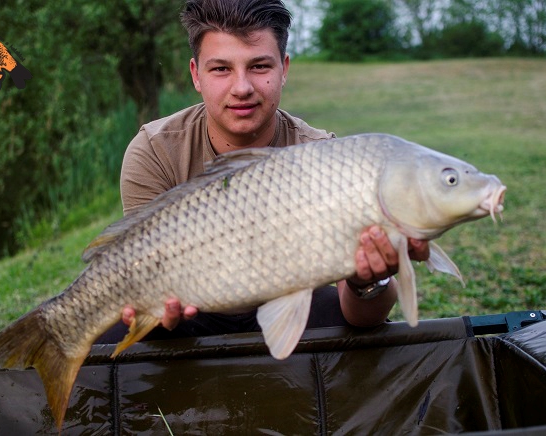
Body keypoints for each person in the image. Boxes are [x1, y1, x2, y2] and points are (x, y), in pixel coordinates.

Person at [96, 0, 429, 344]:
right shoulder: (154, 150)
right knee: (114, 329)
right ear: (196, 75)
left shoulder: (324, 157)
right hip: (189, 310)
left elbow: (361, 315)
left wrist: (369, 282)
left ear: (284, 68)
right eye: (221, 69)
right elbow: (133, 265)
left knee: (359, 331)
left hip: (288, 303)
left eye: (258, 66)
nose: (242, 87)